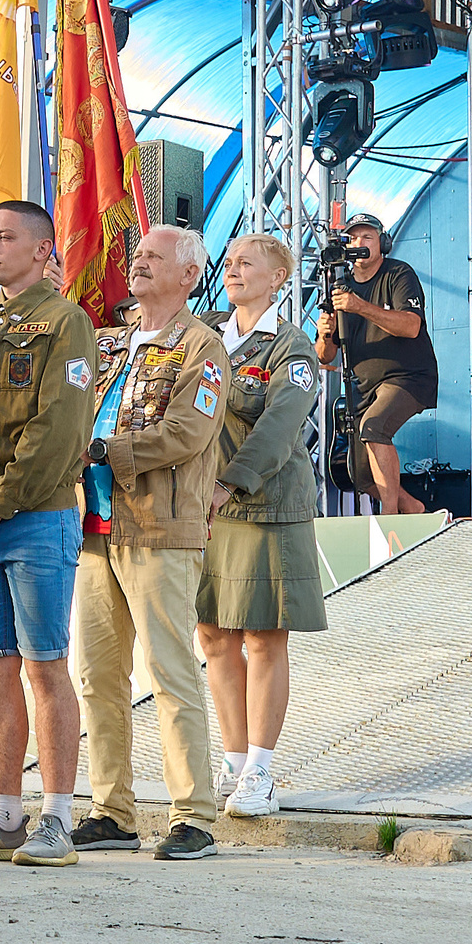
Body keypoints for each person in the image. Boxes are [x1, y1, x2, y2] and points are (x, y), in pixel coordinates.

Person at [0, 201, 97, 869]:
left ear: (42, 250)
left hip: (32, 516)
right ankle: (4, 813)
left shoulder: (66, 322)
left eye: (6, 237)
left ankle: (58, 817)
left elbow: (57, 428)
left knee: (45, 666)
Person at [70, 225, 223, 861]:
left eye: (154, 258)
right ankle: (112, 810)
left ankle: (194, 815)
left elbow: (189, 430)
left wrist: (108, 449)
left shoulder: (202, 347)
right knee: (95, 675)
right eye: (137, 255)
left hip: (160, 527)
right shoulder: (110, 343)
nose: (137, 264)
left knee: (169, 671)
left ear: (189, 276)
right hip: (93, 528)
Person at [198, 233, 324, 820]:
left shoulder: (292, 347)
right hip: (207, 506)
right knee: (214, 635)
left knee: (263, 637)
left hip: (265, 504)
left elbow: (280, 424)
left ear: (278, 278)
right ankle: (233, 757)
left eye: (248, 263)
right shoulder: (205, 335)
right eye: (229, 262)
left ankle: (261, 770)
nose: (233, 270)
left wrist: (230, 482)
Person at [315, 212, 435, 516]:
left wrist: (360, 307)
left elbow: (410, 326)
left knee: (374, 427)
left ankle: (389, 519)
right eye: (353, 237)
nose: (359, 243)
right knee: (359, 473)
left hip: (408, 377)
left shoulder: (398, 274)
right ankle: (413, 508)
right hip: (364, 387)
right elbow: (324, 356)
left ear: (382, 242)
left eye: (367, 237)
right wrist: (324, 333)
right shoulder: (339, 287)